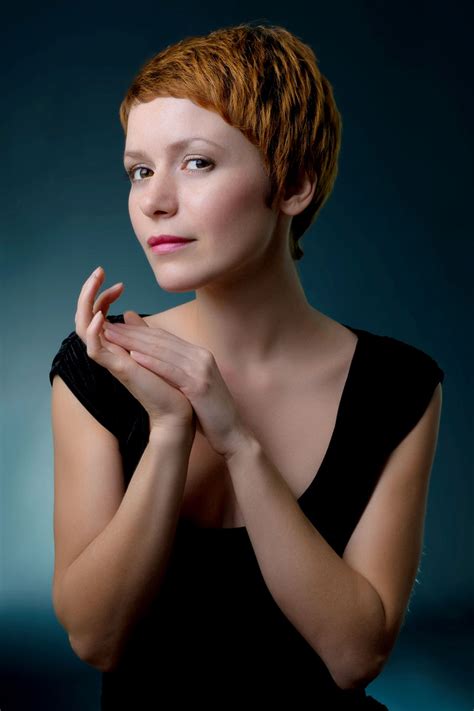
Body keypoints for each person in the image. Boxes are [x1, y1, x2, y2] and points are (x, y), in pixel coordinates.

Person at [48, 22, 444, 710]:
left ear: (293, 185)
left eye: (197, 162)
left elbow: (355, 657)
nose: (155, 200)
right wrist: (170, 430)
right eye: (140, 170)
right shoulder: (96, 367)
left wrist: (238, 442)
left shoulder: (399, 387)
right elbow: (96, 639)